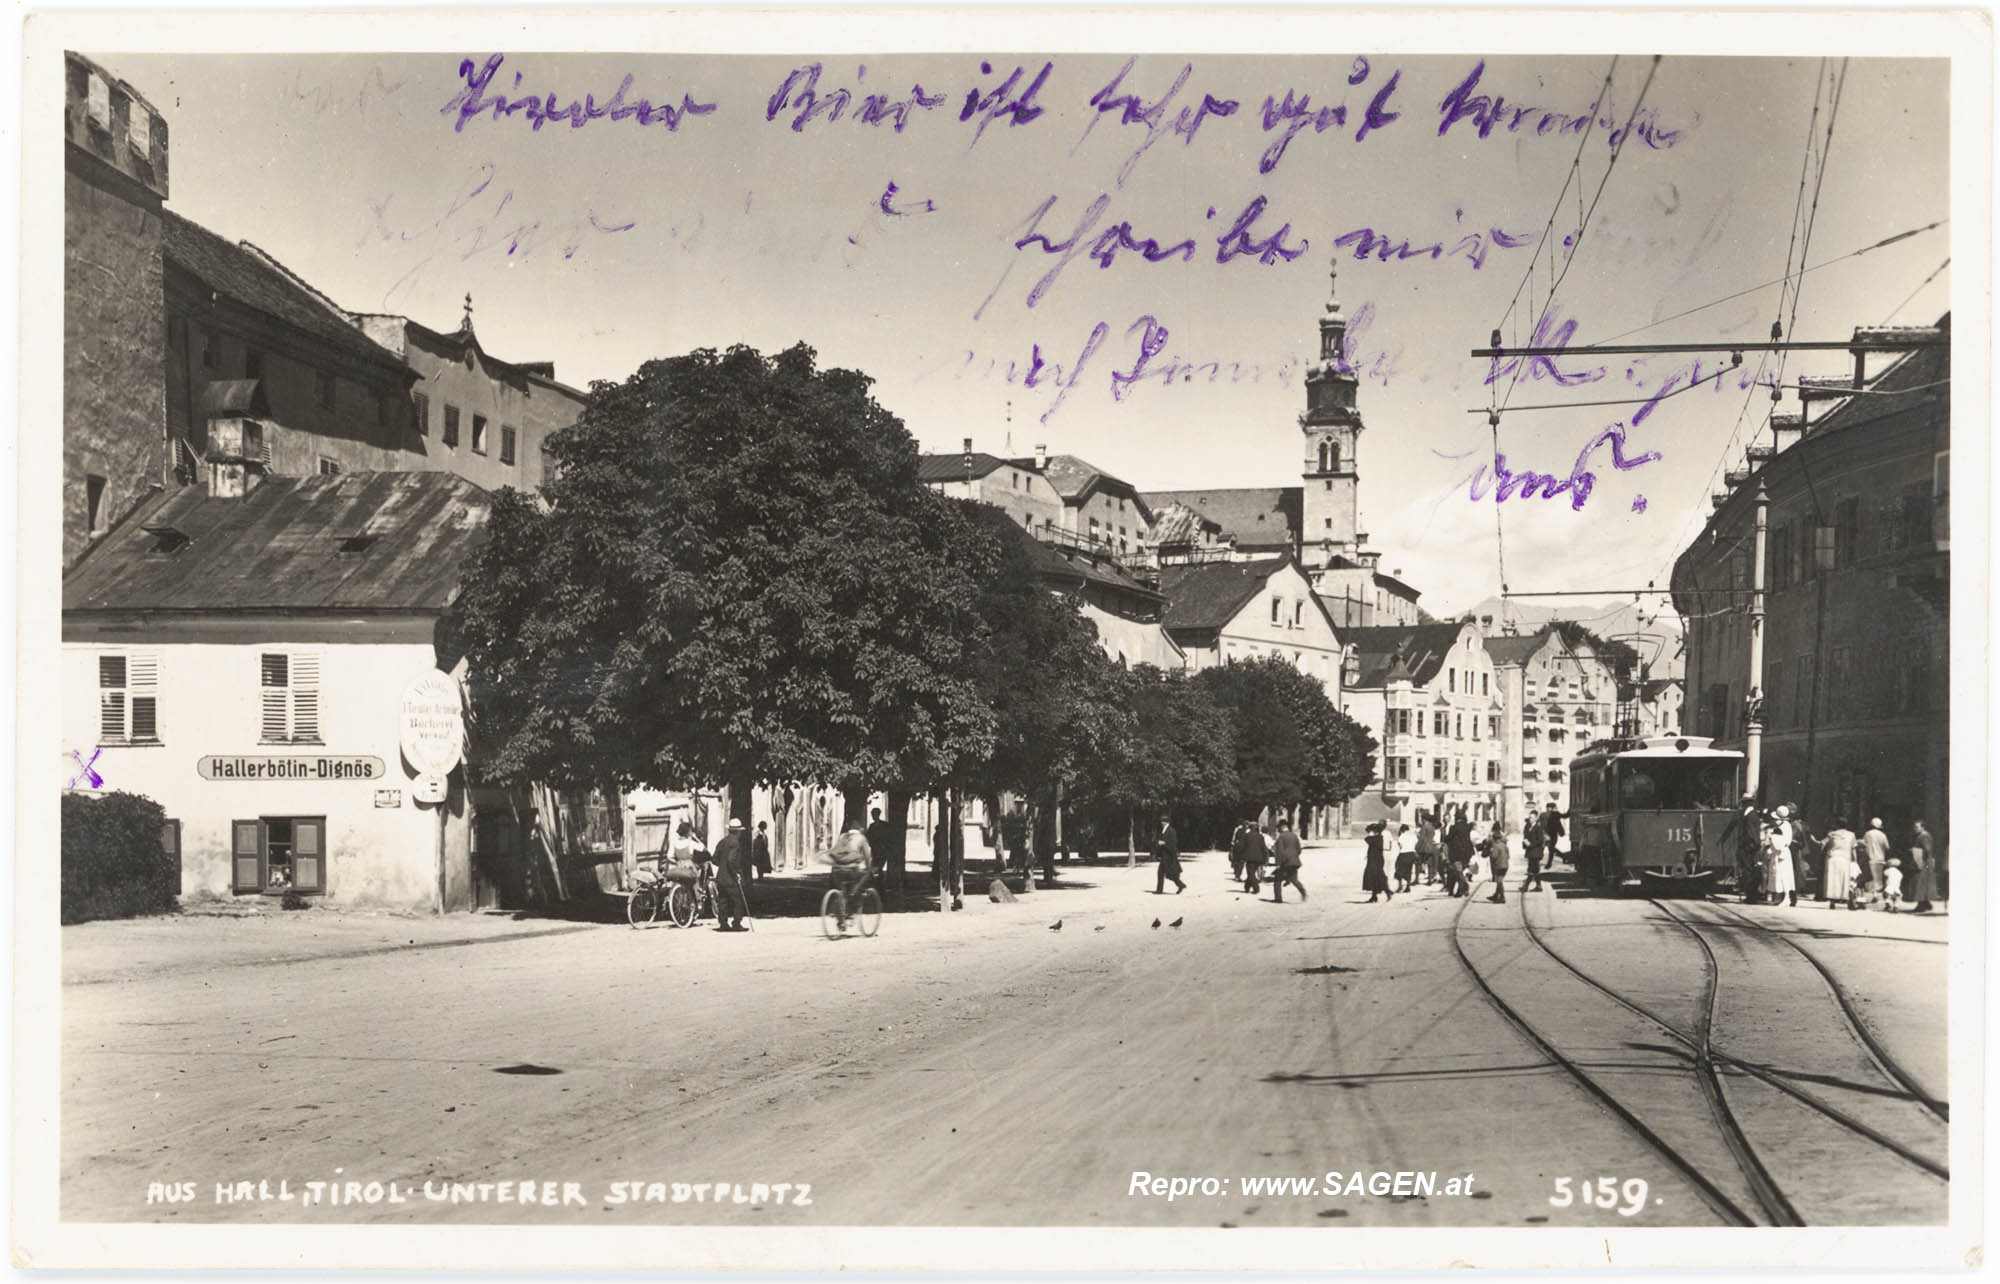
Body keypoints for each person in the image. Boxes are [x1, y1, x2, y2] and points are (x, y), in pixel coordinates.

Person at [828, 821, 873, 929]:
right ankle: (851, 913)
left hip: (836, 869)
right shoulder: (861, 838)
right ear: (860, 830)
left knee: (841, 890)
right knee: (855, 889)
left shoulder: (843, 836)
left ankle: (840, 918)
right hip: (851, 869)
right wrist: (869, 869)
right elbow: (867, 856)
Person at [1721, 796, 1765, 904]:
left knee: (1748, 870)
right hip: (1748, 846)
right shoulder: (1747, 814)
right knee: (1748, 870)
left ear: (1745, 804)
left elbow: (1751, 833)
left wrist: (1751, 845)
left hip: (1748, 847)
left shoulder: (1750, 816)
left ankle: (1751, 896)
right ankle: (1750, 895)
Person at [712, 818, 750, 930]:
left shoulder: (722, 841)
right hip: (730, 878)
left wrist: (722, 865)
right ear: (738, 831)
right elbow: (731, 860)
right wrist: (736, 873)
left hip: (721, 877)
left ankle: (723, 923)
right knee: (738, 900)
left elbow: (714, 859)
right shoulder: (735, 843)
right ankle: (736, 923)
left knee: (723, 900)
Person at [1819, 819, 1857, 909]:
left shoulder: (1831, 834)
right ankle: (1845, 898)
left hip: (1832, 858)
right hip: (1845, 858)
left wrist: (1824, 852)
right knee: (1845, 879)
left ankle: (1832, 901)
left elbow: (1822, 843)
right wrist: (1855, 860)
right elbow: (1853, 849)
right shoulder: (1851, 835)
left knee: (1832, 879)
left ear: (1836, 825)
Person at [1765, 805, 1798, 907]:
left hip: (1781, 853)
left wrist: (1773, 838)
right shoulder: (1783, 826)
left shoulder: (1784, 827)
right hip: (1779, 853)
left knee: (1784, 876)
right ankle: (1780, 896)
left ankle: (1787, 897)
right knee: (1777, 876)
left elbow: (1783, 842)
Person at [933, 813, 964, 912]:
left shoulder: (940, 834)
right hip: (941, 855)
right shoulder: (939, 835)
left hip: (942, 855)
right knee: (940, 870)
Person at [1908, 819, 1938, 913]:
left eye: (1917, 827)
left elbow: (1927, 849)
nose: (1915, 829)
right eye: (1914, 827)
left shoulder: (1924, 836)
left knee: (1920, 883)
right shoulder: (1921, 836)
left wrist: (1915, 851)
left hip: (1924, 862)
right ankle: (1926, 903)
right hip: (1924, 861)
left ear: (1922, 827)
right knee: (1923, 882)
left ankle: (1921, 904)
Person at [1858, 817, 1890, 905]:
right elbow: (1887, 847)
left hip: (1870, 858)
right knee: (1878, 879)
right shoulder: (1883, 835)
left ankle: (1867, 897)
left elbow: (1863, 844)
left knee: (1869, 878)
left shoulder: (1867, 834)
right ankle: (1876, 895)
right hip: (1880, 859)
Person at [1445, 812, 1476, 898]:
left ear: (1457, 818)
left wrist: (1445, 838)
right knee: (1460, 870)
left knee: (1458, 871)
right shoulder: (1468, 826)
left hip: (1457, 852)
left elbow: (1448, 838)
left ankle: (1464, 885)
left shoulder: (1454, 827)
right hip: (1467, 852)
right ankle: (1460, 890)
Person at [1153, 814, 1186, 895]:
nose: (1161, 823)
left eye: (1163, 821)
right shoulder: (1164, 830)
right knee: (1161, 872)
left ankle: (1180, 885)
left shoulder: (1171, 830)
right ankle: (1160, 890)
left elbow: (1173, 844)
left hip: (1170, 856)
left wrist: (1164, 843)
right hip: (1165, 856)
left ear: (1166, 822)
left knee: (1171, 874)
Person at [1360, 822, 1390, 903]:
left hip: (1375, 860)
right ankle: (1375, 896)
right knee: (1376, 877)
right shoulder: (1378, 837)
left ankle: (1386, 892)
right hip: (1375, 859)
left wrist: (1371, 834)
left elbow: (1367, 839)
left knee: (1375, 876)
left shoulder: (1377, 838)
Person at [1488, 821, 1518, 904]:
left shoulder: (1493, 840)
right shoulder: (1504, 842)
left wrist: (1491, 851)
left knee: (1499, 881)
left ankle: (1502, 897)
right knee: (1499, 880)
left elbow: (1493, 855)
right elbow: (1508, 855)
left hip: (1498, 864)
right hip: (1505, 864)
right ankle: (1496, 895)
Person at [864, 808, 895, 886]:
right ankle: (876, 882)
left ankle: (880, 882)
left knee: (879, 866)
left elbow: (888, 837)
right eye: (872, 815)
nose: (873, 816)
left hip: (883, 850)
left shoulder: (884, 825)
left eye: (875, 814)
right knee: (875, 866)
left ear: (878, 815)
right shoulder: (871, 826)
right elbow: (868, 837)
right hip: (874, 850)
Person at [1241, 821, 1270, 894]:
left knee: (1250, 873)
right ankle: (1247, 887)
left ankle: (1256, 888)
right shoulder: (1260, 836)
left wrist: (1241, 856)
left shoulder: (1246, 836)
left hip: (1249, 857)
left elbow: (1242, 847)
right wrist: (1265, 858)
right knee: (1252, 873)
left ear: (1250, 828)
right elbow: (1264, 848)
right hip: (1258, 858)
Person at [1522, 817, 1546, 893]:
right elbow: (1526, 838)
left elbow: (1540, 840)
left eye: (1532, 818)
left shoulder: (1538, 828)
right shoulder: (1529, 827)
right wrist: (1525, 844)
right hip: (1531, 852)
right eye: (1529, 818)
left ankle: (1526, 886)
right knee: (1534, 869)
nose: (1530, 819)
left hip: (1535, 852)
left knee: (1532, 869)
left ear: (1535, 819)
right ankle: (1538, 886)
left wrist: (1531, 844)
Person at [1415, 816, 1440, 886]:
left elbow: (1421, 838)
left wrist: (1417, 847)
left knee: (1417, 862)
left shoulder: (1424, 827)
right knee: (1430, 864)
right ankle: (1429, 880)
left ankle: (1416, 879)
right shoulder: (1432, 827)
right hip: (1431, 847)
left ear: (1424, 819)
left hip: (1424, 847)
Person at [1393, 824, 1417, 894]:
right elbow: (1416, 844)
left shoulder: (1402, 836)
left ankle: (1400, 886)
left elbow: (1401, 846)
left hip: (1403, 854)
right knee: (1409, 870)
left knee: (1399, 870)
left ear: (1401, 830)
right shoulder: (1413, 836)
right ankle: (1408, 886)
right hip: (1412, 854)